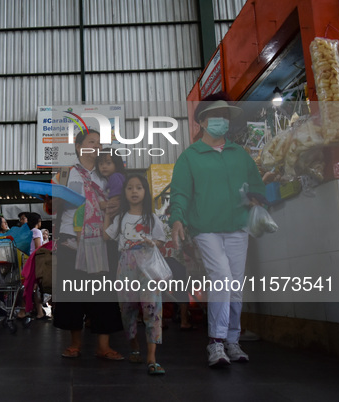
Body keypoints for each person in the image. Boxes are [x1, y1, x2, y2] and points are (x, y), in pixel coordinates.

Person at [169, 92, 265, 367]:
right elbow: (180, 194)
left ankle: (232, 341)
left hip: (238, 226)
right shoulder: (190, 157)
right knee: (221, 276)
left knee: (234, 283)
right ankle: (216, 342)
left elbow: (256, 183)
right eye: (216, 117)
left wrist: (257, 197)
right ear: (202, 121)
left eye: (225, 117)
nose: (222, 122)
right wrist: (177, 218)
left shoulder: (239, 154)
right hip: (205, 228)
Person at [53, 128, 124, 360]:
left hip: (101, 240)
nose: (96, 146)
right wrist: (53, 197)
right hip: (71, 240)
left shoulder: (108, 174)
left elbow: (117, 203)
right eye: (91, 142)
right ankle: (75, 344)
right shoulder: (65, 173)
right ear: (78, 146)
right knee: (74, 292)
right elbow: (51, 209)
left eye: (99, 143)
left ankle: (103, 346)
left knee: (103, 293)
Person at [104, 174, 167, 375]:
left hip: (148, 266)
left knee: (152, 309)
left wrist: (152, 243)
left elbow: (161, 241)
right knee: (127, 309)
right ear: (124, 192)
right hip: (126, 265)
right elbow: (106, 235)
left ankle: (151, 357)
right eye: (130, 188)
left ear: (145, 192)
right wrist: (106, 213)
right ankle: (134, 347)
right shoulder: (121, 218)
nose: (134, 191)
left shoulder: (152, 217)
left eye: (138, 187)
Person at [95, 150, 126, 218]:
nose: (104, 167)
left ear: (117, 164)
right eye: (101, 164)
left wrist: (105, 205)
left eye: (108, 163)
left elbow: (115, 199)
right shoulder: (112, 178)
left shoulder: (115, 177)